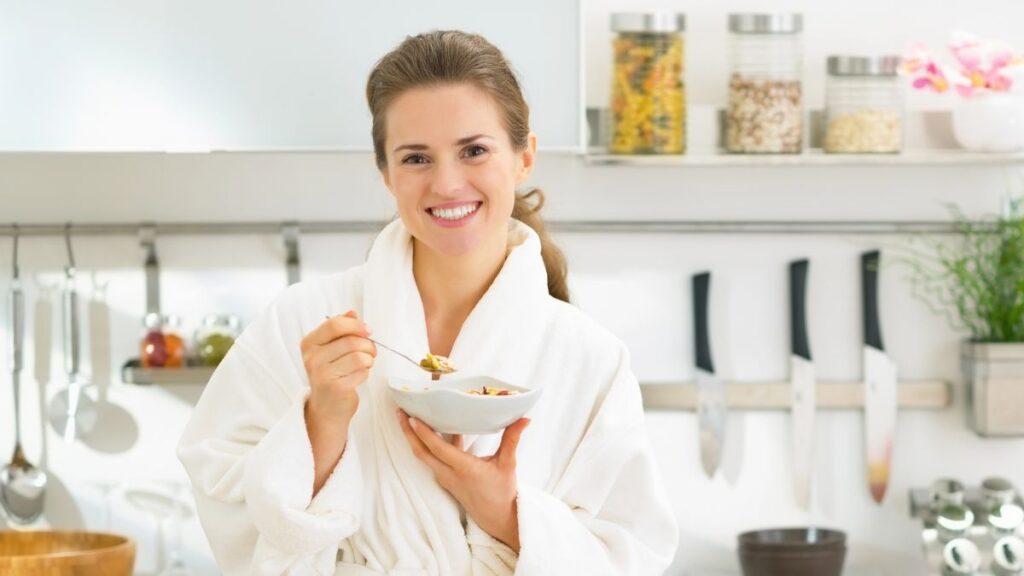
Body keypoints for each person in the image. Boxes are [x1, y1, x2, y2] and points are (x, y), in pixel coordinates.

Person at [177, 30, 678, 575]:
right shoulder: (303, 325)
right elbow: (220, 490)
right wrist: (319, 422)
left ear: (523, 157)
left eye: (474, 150)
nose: (446, 183)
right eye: (416, 158)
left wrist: (508, 515)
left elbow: (633, 556)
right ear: (386, 174)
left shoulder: (590, 359)